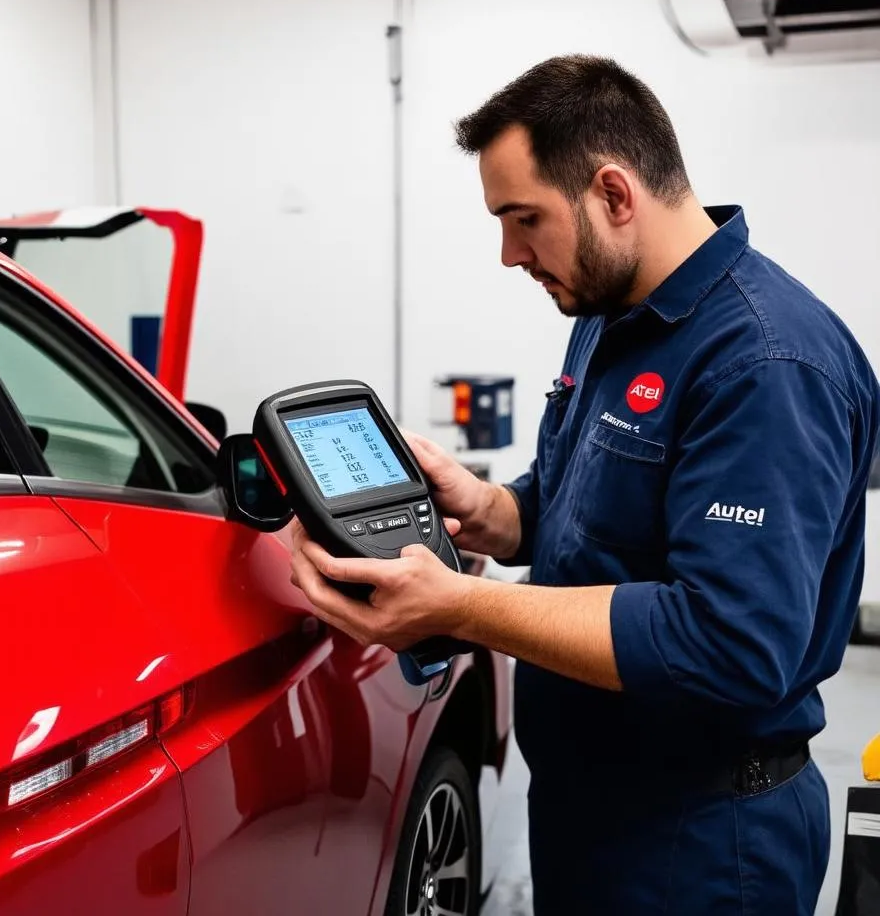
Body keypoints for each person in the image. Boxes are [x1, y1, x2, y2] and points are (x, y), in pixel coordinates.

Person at [288, 54, 880, 915]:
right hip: (588, 813)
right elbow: (586, 504)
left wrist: (458, 606)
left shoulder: (766, 363)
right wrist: (493, 512)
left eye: (524, 219)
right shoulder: (609, 314)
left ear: (613, 193)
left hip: (702, 844)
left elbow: (730, 642)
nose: (507, 254)